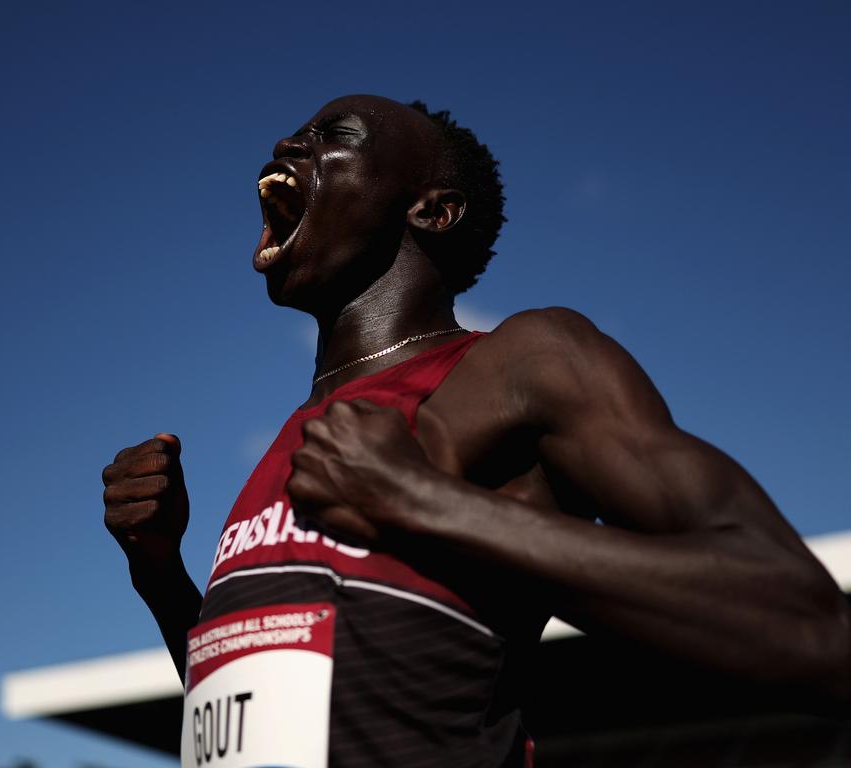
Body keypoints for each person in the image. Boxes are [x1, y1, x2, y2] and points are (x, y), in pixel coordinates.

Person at [102, 95, 850, 767]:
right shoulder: (307, 435)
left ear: (433, 210)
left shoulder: (526, 362)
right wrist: (163, 577)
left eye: (333, 135)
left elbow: (815, 633)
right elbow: (256, 718)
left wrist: (420, 503)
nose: (288, 144)